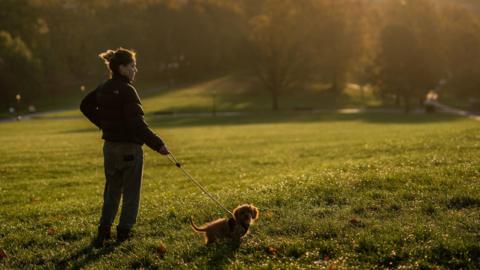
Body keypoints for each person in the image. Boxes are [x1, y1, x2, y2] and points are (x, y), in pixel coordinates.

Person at [80, 48, 169, 246]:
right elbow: (137, 124)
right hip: (129, 149)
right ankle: (124, 233)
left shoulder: (103, 87)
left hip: (110, 149)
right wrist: (158, 144)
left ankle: (104, 231)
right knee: (131, 193)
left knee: (112, 191)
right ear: (121, 68)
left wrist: (106, 124)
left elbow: (85, 106)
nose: (135, 70)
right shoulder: (128, 90)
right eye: (132, 66)